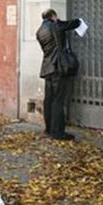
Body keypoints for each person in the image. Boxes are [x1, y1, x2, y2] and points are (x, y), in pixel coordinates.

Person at [36, 9, 81, 141]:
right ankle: (58, 133)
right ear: (53, 16)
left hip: (47, 68)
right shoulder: (55, 26)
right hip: (58, 67)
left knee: (49, 100)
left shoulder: (39, 31)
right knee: (58, 101)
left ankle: (49, 129)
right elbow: (72, 24)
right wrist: (79, 21)